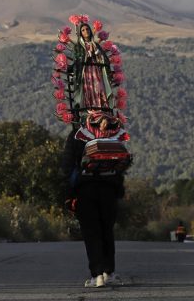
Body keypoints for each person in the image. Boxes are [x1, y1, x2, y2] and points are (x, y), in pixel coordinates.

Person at [62, 117, 126, 288]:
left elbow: (67, 167)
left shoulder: (77, 135)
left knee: (92, 233)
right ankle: (109, 272)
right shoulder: (114, 134)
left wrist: (69, 195)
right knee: (106, 231)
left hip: (85, 190)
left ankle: (96, 275)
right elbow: (123, 164)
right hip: (109, 190)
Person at [71, 23, 112, 115]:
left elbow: (105, 60)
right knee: (89, 89)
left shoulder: (96, 45)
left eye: (87, 29)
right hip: (86, 72)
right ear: (81, 33)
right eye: (83, 30)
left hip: (96, 71)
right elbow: (77, 60)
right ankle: (92, 109)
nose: (86, 31)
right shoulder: (78, 47)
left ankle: (102, 107)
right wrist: (88, 54)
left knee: (99, 87)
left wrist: (97, 53)